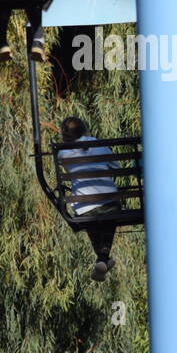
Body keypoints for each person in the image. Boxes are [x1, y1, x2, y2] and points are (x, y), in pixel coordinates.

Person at [59, 116, 122, 282]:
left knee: (91, 219)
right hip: (109, 201)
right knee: (109, 215)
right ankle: (102, 259)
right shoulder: (97, 143)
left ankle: (103, 259)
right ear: (83, 128)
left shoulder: (62, 152)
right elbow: (117, 167)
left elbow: (67, 171)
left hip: (83, 206)